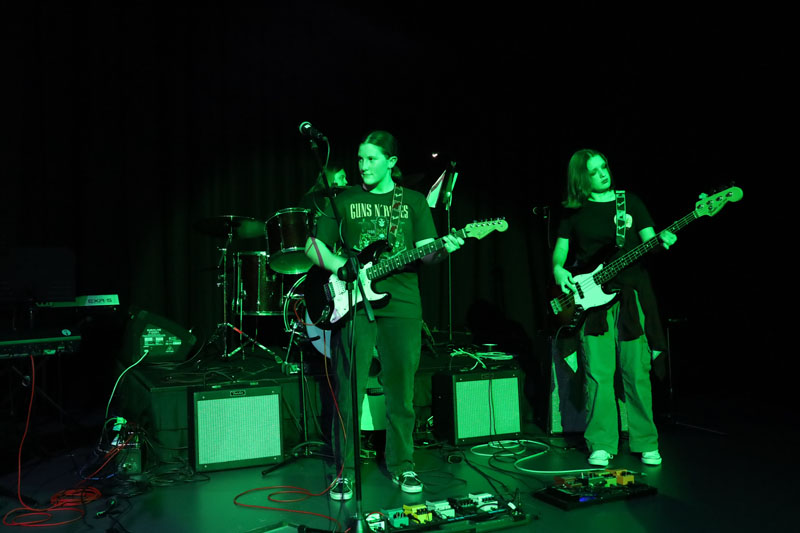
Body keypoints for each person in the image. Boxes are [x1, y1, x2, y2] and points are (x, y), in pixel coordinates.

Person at [304, 130, 463, 500]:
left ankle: (403, 465)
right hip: (356, 303)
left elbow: (426, 252)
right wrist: (340, 265)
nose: (363, 165)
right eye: (360, 158)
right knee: (349, 390)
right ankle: (344, 471)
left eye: (371, 159)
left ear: (391, 162)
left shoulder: (413, 201)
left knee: (401, 393)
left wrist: (445, 247)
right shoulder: (342, 198)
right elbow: (312, 245)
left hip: (403, 305)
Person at [552, 149, 676, 468]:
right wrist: (559, 270)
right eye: (593, 171)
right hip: (593, 301)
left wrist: (662, 240)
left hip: (632, 297)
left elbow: (650, 241)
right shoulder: (574, 211)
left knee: (636, 372)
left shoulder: (629, 202)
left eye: (604, 167)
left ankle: (646, 441)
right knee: (598, 374)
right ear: (581, 178)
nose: (603, 174)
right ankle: (601, 443)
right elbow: (561, 250)